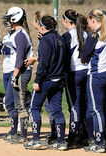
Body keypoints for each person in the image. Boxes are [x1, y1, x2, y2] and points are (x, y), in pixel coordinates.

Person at [24, 15, 67, 150]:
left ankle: (36, 139)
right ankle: (61, 141)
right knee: (57, 110)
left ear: (42, 27)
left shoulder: (45, 41)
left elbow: (44, 63)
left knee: (34, 107)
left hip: (47, 80)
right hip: (59, 80)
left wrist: (37, 81)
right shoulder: (60, 38)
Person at [82, 9, 106, 153]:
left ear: (94, 20)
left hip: (97, 76)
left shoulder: (95, 35)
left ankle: (99, 142)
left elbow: (84, 57)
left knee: (96, 110)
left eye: (89, 21)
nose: (89, 25)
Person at [0, 6, 33, 144]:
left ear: (15, 18)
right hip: (16, 71)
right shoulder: (16, 34)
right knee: (11, 102)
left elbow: (20, 58)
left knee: (20, 103)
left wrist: (14, 75)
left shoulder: (21, 35)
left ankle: (22, 135)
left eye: (9, 18)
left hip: (21, 72)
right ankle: (15, 131)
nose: (7, 21)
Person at [25, 11, 57, 145]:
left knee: (41, 107)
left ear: (39, 23)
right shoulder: (48, 37)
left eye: (34, 21)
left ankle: (39, 138)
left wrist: (34, 59)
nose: (33, 23)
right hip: (55, 77)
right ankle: (55, 135)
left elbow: (47, 59)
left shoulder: (45, 38)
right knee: (52, 108)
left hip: (46, 78)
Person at [62, 9, 90, 148]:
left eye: (63, 20)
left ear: (67, 21)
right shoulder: (86, 33)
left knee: (74, 106)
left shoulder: (67, 36)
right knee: (84, 105)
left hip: (74, 73)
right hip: (87, 72)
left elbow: (64, 57)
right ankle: (85, 136)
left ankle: (73, 138)